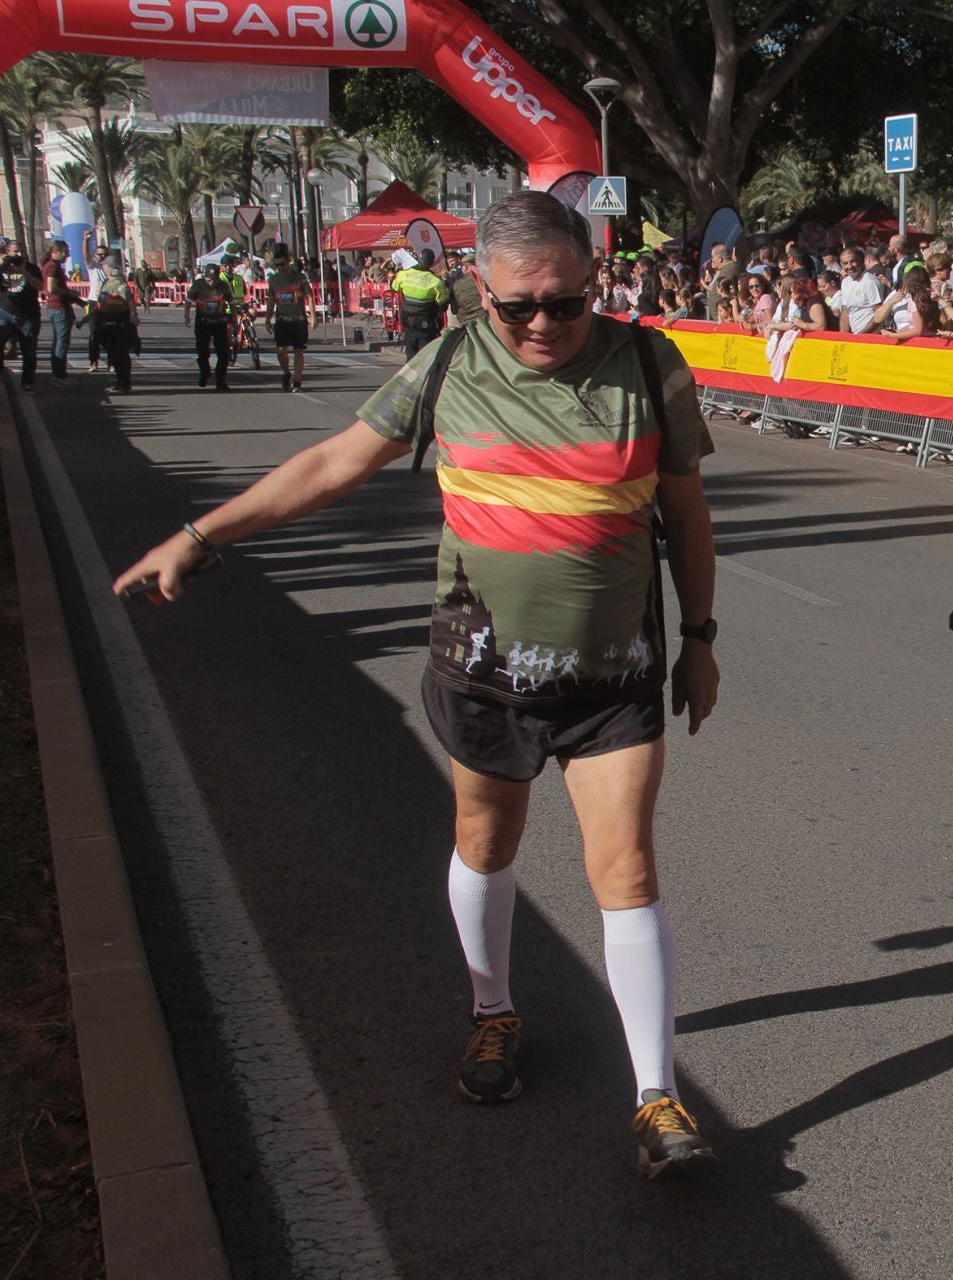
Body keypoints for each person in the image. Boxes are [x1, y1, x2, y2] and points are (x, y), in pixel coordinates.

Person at [112, 191, 722, 1178]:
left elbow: (688, 514)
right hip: (482, 669)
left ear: (593, 284)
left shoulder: (646, 365)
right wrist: (200, 536)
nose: (541, 325)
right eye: (517, 306)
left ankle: (656, 1094)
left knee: (630, 865)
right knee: (486, 840)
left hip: (615, 675)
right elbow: (330, 463)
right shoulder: (445, 365)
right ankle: (493, 1008)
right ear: (479, 288)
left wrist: (699, 636)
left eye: (563, 304)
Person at [0, 243, 42, 391]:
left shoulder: (32, 268)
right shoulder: (3, 267)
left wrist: (25, 272)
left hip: (28, 315)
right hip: (5, 312)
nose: (18, 255)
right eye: (15, 252)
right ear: (8, 252)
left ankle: (27, 381)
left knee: (29, 351)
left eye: (21, 251)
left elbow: (40, 287)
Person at [265, 245, 317, 393]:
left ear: (289, 262)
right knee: (281, 350)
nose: (280, 267)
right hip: (282, 320)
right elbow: (270, 300)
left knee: (298, 351)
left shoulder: (299, 278)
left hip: (298, 320)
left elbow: (309, 297)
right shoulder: (274, 280)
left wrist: (313, 317)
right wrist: (268, 319)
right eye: (277, 265)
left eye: (282, 264)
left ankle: (297, 381)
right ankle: (286, 373)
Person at [89, 253, 139, 392]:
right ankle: (120, 382)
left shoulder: (118, 283)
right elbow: (101, 304)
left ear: (110, 268)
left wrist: (133, 314)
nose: (103, 268)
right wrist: (86, 318)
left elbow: (128, 299)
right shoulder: (106, 282)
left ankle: (124, 383)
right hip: (108, 322)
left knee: (120, 353)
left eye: (105, 265)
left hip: (119, 322)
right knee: (113, 353)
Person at [184, 262, 236, 390]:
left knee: (223, 353)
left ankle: (221, 380)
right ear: (204, 276)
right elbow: (189, 301)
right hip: (203, 322)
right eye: (208, 279)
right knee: (202, 351)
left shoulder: (224, 286)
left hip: (219, 323)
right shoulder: (198, 285)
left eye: (214, 279)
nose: (211, 282)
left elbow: (232, 303)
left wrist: (234, 318)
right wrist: (187, 315)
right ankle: (204, 372)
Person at [392, 249, 449, 356]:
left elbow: (394, 287)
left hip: (407, 320)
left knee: (410, 349)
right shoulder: (436, 282)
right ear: (431, 263)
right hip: (426, 322)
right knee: (425, 352)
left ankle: (410, 368)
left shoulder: (404, 274)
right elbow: (442, 304)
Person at [41, 240, 81, 385]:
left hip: (54, 307)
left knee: (58, 341)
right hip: (59, 306)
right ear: (56, 252)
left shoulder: (49, 265)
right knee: (61, 342)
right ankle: (60, 375)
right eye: (65, 252)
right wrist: (70, 292)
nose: (68, 255)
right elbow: (52, 288)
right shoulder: (52, 266)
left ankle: (58, 374)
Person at [833, 246, 886, 334]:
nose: (849, 266)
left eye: (852, 261)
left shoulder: (869, 281)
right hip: (855, 336)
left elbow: (879, 313)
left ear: (861, 262)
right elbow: (845, 313)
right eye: (845, 263)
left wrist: (862, 335)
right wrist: (843, 337)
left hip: (871, 336)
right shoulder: (845, 282)